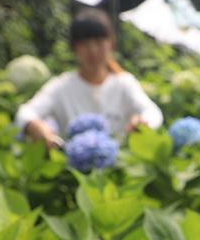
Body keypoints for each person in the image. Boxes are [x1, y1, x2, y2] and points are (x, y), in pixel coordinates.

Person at [16, 8, 163, 148]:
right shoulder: (60, 87)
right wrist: (35, 126)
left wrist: (142, 122)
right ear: (74, 48)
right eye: (85, 43)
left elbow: (153, 113)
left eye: (99, 42)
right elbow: (25, 113)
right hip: (73, 171)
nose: (92, 50)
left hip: (122, 167)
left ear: (111, 43)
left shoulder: (124, 83)